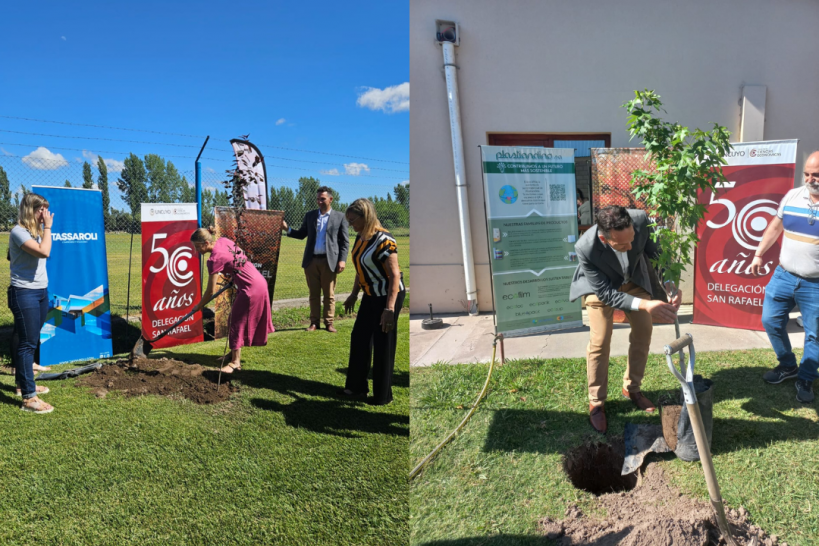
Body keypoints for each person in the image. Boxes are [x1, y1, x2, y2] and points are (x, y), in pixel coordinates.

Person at [569, 206, 681, 433]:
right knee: (600, 341)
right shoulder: (585, 248)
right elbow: (607, 295)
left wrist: (669, 284)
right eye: (622, 245)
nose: (630, 247)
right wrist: (646, 304)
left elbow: (657, 256)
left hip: (633, 281)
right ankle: (597, 402)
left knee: (643, 331)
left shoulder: (640, 220)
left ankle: (632, 387)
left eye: (632, 240)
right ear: (604, 238)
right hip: (601, 289)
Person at [752, 151, 819, 403]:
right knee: (770, 321)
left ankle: (806, 376)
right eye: (807, 174)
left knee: (815, 335)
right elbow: (775, 226)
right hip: (784, 275)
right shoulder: (793, 195)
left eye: (817, 175)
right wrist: (759, 254)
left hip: (816, 284)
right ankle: (788, 365)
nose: (811, 179)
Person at [340, 198, 405, 406]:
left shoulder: (385, 240)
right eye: (349, 221)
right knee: (359, 337)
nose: (351, 225)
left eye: (353, 220)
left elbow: (394, 275)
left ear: (365, 216)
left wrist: (389, 309)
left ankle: (382, 395)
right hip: (370, 295)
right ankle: (357, 387)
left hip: (388, 296)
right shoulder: (361, 238)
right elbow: (361, 271)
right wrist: (353, 294)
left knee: (383, 343)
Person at [190, 227, 275, 373]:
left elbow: (210, 291)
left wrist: (199, 306)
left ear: (205, 243)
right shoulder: (223, 241)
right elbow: (236, 260)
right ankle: (233, 353)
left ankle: (235, 363)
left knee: (236, 322)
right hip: (259, 281)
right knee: (233, 320)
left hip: (250, 289)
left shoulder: (213, 259)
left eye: (198, 247)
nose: (197, 251)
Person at [8, 193, 55, 413]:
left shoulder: (32, 231)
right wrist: (48, 228)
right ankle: (29, 398)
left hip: (40, 292)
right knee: (28, 344)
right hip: (24, 293)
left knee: (26, 339)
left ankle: (21, 385)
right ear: (30, 209)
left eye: (46, 209)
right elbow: (44, 252)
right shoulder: (19, 231)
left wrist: (42, 228)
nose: (44, 214)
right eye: (41, 210)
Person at [281, 186, 349, 333]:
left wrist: (342, 260)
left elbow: (344, 242)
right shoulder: (310, 215)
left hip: (329, 262)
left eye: (322, 199)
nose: (319, 201)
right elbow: (301, 234)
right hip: (311, 262)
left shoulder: (340, 217)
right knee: (313, 294)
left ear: (330, 199)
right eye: (317, 199)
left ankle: (329, 323)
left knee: (329, 295)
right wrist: (288, 229)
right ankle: (314, 323)